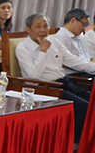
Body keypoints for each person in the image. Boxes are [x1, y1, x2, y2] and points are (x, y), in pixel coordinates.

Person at [17, 12, 92, 142]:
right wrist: (43, 51)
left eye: (45, 26)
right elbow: (33, 76)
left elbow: (74, 62)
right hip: (45, 88)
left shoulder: (54, 41)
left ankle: (87, 145)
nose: (42, 30)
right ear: (28, 29)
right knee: (83, 107)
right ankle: (74, 146)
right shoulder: (22, 47)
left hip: (64, 83)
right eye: (38, 26)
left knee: (92, 102)